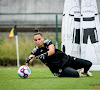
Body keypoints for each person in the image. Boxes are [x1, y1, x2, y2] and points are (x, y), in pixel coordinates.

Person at [25, 29, 92, 77]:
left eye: (39, 39)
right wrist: (28, 60)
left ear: (43, 38)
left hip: (67, 59)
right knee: (76, 74)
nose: (38, 41)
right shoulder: (36, 50)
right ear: (34, 41)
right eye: (35, 40)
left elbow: (52, 51)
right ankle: (71, 71)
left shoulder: (48, 42)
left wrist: (44, 55)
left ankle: (85, 72)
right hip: (59, 69)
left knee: (88, 64)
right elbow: (31, 57)